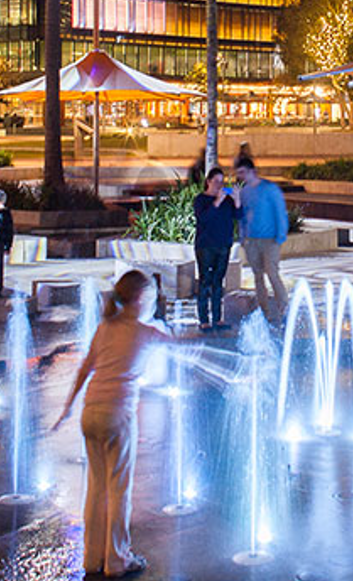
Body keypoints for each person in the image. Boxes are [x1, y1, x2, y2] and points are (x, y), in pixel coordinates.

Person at [53, 271, 169, 578]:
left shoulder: (105, 328)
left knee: (95, 487)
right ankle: (117, 560)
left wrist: (67, 407)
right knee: (118, 489)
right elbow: (181, 345)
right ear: (141, 299)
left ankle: (92, 558)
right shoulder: (142, 332)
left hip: (90, 414)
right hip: (118, 416)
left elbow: (84, 369)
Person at [234, 155, 288, 319]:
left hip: (270, 240)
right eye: (239, 173)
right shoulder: (244, 192)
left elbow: (280, 212)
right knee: (258, 276)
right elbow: (242, 216)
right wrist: (243, 237)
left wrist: (280, 237)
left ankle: (284, 307)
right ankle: (265, 311)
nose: (241, 176)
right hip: (252, 241)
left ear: (252, 171)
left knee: (272, 272)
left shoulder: (270, 189)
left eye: (243, 172)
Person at [193, 167, 240, 331]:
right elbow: (204, 218)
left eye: (222, 181)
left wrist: (237, 199)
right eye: (217, 181)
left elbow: (238, 216)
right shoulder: (201, 200)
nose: (220, 185)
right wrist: (217, 201)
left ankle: (218, 318)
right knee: (205, 281)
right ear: (208, 182)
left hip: (223, 244)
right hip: (206, 245)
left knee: (218, 282)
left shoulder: (227, 200)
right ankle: (204, 319)